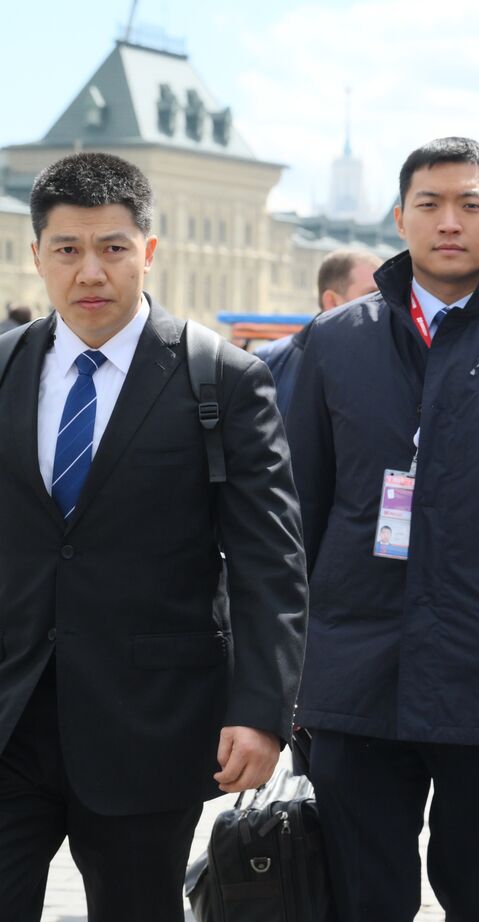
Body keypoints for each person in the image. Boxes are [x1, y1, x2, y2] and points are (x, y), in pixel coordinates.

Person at [286, 137, 479, 922]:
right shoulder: (332, 344)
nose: (448, 222)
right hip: (357, 680)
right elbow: (293, 518)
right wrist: (285, 682)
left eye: (470, 204)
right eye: (429, 204)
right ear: (399, 217)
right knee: (361, 897)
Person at [0, 152, 306, 920]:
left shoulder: (222, 379)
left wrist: (263, 708)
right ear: (38, 256)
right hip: (11, 716)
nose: (90, 271)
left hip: (149, 724)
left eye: (113, 247)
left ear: (149, 251)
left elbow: (271, 559)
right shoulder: (4, 369)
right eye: (67, 250)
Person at [258, 247, 381, 417]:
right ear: (331, 301)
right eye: (372, 295)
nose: (383, 305)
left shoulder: (391, 362)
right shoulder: (267, 364)